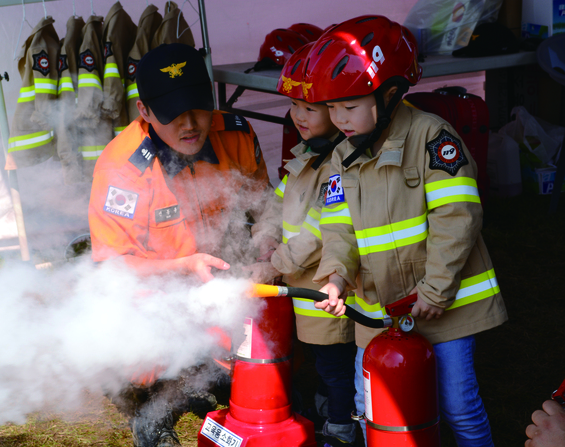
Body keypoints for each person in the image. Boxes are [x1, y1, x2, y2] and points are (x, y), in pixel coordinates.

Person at [303, 16, 508, 446]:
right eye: (332, 107)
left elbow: (458, 218)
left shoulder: (433, 137)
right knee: (372, 406)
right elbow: (338, 230)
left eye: (350, 106)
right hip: (379, 315)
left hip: (445, 306)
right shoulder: (340, 158)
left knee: (458, 407)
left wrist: (435, 290)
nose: (339, 118)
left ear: (391, 94)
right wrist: (336, 278)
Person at [88, 42, 270, 447]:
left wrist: (267, 250)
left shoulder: (236, 134)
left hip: (221, 276)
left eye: (198, 108)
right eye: (173, 115)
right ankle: (147, 408)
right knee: (152, 357)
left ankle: (211, 368)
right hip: (156, 289)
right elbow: (111, 267)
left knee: (247, 371)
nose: (190, 124)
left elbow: (264, 207)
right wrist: (184, 266)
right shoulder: (123, 168)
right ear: (145, 112)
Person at [247, 41, 357, 445]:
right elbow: (278, 203)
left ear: (337, 110)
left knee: (335, 362)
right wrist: (264, 238)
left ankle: (342, 429)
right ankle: (328, 411)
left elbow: (317, 232)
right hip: (300, 284)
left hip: (324, 284)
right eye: (294, 106)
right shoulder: (305, 154)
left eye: (310, 109)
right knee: (321, 358)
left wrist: (274, 261)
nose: (298, 116)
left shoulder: (338, 164)